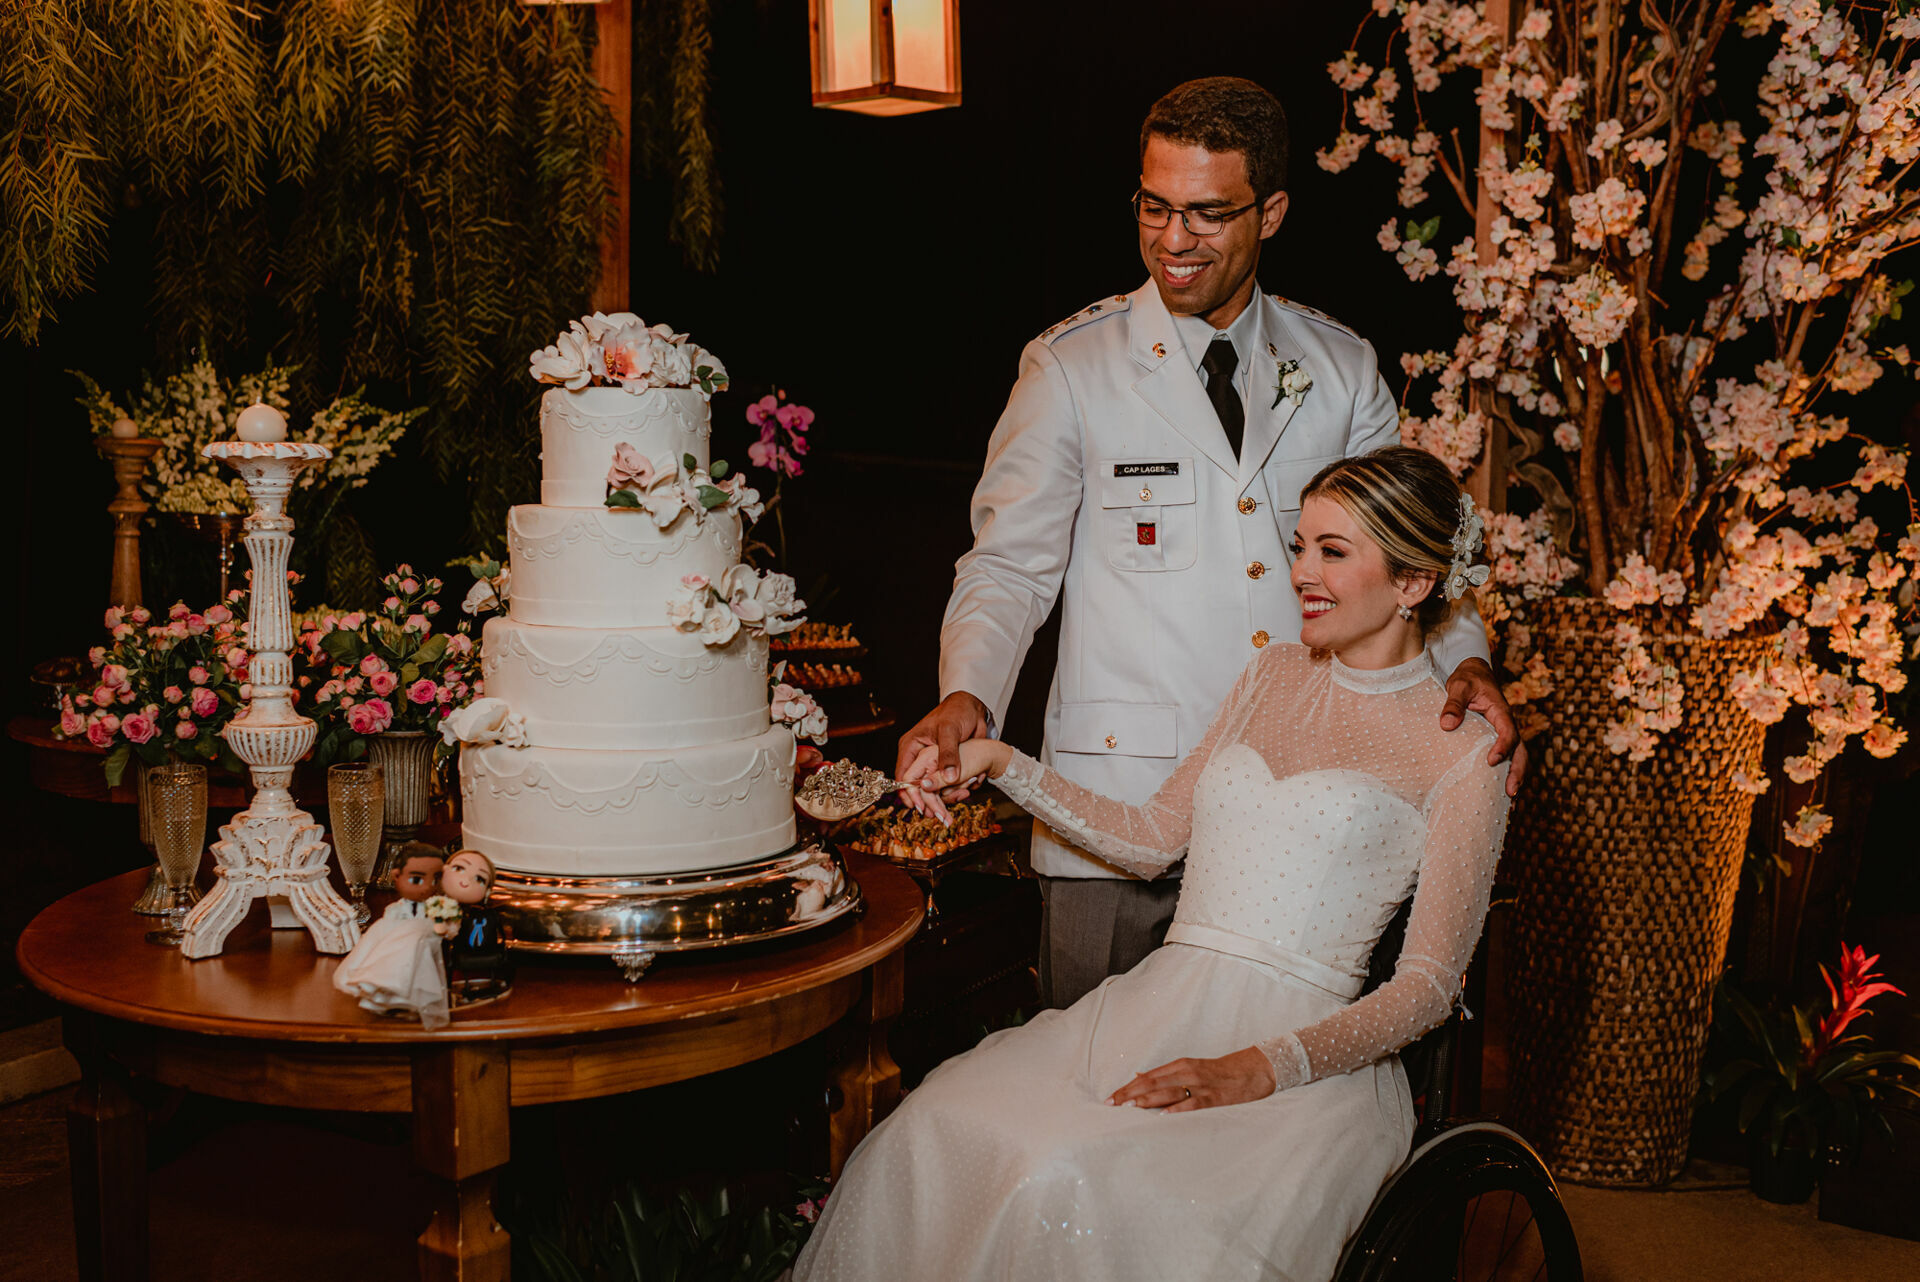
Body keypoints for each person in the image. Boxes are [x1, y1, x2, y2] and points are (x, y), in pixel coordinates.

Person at [799, 448, 1512, 1282]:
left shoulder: (1466, 749)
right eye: (1300, 544)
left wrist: (1255, 1069)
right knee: (934, 1128)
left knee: (1074, 1182)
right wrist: (998, 761)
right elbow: (1150, 839)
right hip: (1159, 1001)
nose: (1300, 574)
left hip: (1306, 1061)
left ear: (1414, 584)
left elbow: (1428, 986)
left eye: (1333, 552)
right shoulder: (1270, 674)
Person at [895, 77, 1524, 1009]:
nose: (1172, 240)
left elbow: (1415, 545)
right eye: (1154, 207)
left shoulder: (1342, 369)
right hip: (1114, 807)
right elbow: (1008, 565)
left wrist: (1467, 662)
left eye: (1206, 213)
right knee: (1096, 1093)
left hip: (1297, 813)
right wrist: (966, 695)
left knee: (1251, 1097)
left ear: (1270, 211)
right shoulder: (1069, 367)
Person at [332, 849, 452, 1029]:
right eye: (417, 880)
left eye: (435, 880)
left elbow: (445, 928)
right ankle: (386, 999)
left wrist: (442, 927)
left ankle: (409, 1003)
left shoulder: (434, 907)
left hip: (422, 948)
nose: (427, 887)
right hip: (398, 948)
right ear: (397, 876)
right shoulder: (395, 911)